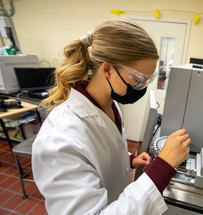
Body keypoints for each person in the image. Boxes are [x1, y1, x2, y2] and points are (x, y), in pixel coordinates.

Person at [32, 18, 191, 215]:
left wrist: (128, 159)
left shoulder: (109, 104)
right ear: (107, 69)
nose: (141, 87)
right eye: (137, 79)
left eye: (147, 80)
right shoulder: (60, 139)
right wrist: (163, 167)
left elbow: (100, 150)